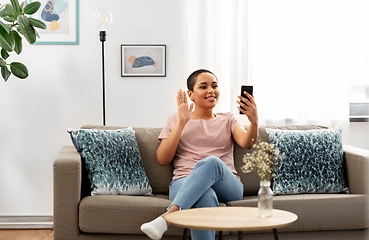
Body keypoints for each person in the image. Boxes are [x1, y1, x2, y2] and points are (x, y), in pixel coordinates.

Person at [141, 69, 258, 240]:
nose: (211, 90)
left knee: (211, 162)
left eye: (215, 86)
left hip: (227, 185)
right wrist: (182, 122)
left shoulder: (228, 119)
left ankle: (167, 218)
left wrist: (254, 121)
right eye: (203, 87)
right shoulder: (175, 119)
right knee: (206, 195)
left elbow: (248, 143)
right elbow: (162, 159)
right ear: (191, 94)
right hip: (184, 182)